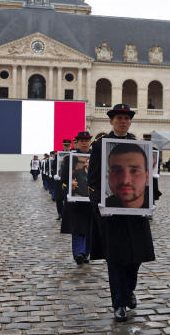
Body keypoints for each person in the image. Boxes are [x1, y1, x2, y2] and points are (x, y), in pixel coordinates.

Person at [88, 104, 159, 322]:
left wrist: (151, 199)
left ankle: (129, 290)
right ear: (111, 121)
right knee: (116, 259)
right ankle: (119, 302)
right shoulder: (100, 146)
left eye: (126, 118)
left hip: (136, 211)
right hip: (112, 213)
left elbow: (147, 176)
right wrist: (99, 203)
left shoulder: (138, 146)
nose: (123, 121)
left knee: (136, 257)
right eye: (119, 118)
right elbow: (93, 179)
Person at [60, 132, 93, 265]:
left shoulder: (97, 157)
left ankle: (86, 253)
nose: (84, 142)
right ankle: (79, 252)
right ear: (77, 142)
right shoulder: (70, 158)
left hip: (92, 200)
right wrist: (68, 188)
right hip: (76, 200)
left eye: (87, 140)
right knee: (78, 227)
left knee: (90, 227)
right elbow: (64, 178)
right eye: (82, 140)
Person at [104, 143, 151, 208]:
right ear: (108, 176)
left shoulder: (151, 203)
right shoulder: (103, 206)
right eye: (117, 171)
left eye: (134, 171)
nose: (125, 181)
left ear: (147, 176)